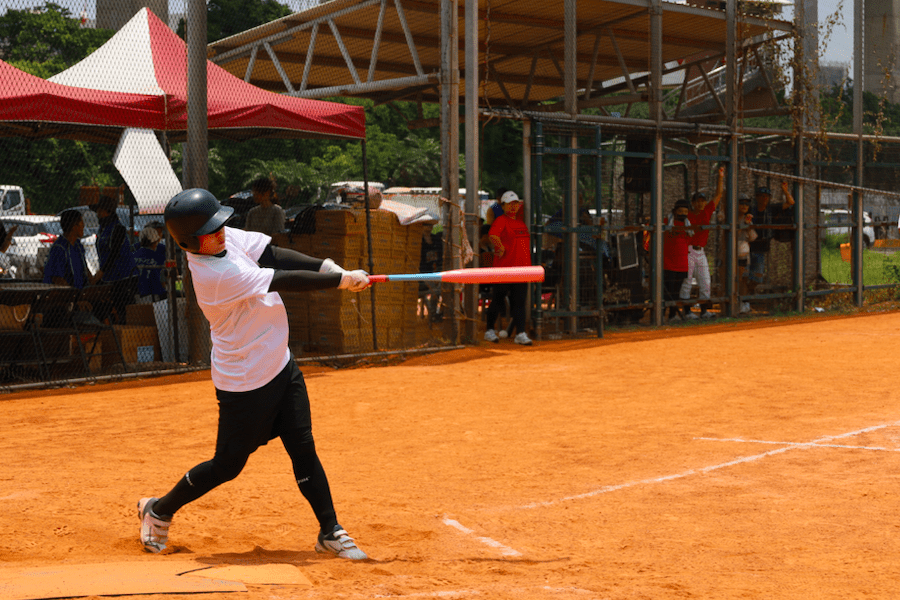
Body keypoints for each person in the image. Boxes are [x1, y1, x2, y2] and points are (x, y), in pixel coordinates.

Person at [138, 188, 371, 560]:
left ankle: (330, 530)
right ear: (189, 243)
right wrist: (338, 281)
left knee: (303, 447)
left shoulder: (222, 240)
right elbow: (282, 278)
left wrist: (327, 265)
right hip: (245, 384)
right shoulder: (214, 275)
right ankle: (159, 510)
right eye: (210, 231)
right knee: (226, 466)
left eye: (220, 225)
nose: (220, 232)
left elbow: (273, 254)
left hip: (280, 364)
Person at [484, 190, 533, 346]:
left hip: (521, 270)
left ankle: (520, 333)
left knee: (519, 302)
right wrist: (500, 247)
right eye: (509, 204)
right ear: (503, 206)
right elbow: (493, 235)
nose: (513, 207)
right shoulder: (501, 220)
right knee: (498, 299)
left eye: (515, 204)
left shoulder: (521, 224)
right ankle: (489, 330)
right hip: (504, 269)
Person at [680, 166, 725, 319]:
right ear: (692, 203)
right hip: (689, 250)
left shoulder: (707, 210)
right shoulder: (688, 214)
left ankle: (704, 311)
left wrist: (720, 177)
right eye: (697, 201)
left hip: (701, 251)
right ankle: (686, 312)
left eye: (702, 201)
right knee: (687, 281)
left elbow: (719, 194)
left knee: (705, 280)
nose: (700, 203)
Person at [92, 195, 138, 323]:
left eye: (100, 211)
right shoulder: (103, 229)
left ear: (107, 211)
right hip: (110, 276)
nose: (97, 214)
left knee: (123, 309)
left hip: (124, 277)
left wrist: (101, 271)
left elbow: (114, 253)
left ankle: (125, 333)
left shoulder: (117, 229)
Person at [747, 184, 795, 293]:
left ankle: (747, 295)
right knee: (744, 275)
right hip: (747, 247)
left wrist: (785, 191)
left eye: (766, 196)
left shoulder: (772, 209)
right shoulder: (751, 209)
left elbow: (791, 202)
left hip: (761, 248)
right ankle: (744, 299)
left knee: (757, 277)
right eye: (761, 196)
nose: (764, 199)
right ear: (757, 197)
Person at [43, 209, 99, 288]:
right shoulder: (59, 248)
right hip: (65, 295)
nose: (83, 226)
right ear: (74, 226)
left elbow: (85, 269)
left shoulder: (78, 245)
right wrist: (73, 295)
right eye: (81, 224)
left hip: (79, 293)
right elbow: (57, 279)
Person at [663, 199, 693, 322]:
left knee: (675, 292)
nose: (682, 214)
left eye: (685, 211)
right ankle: (661, 315)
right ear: (675, 211)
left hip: (682, 263)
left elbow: (689, 241)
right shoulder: (667, 222)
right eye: (680, 211)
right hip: (668, 262)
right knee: (666, 291)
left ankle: (672, 315)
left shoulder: (688, 225)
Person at [133, 225, 167, 303]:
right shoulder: (158, 257)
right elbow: (162, 280)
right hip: (155, 293)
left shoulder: (133, 255)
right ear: (154, 242)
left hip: (137, 292)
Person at [736, 195, 757, 314]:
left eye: (746, 204)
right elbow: (732, 235)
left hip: (744, 252)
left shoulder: (747, 218)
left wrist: (748, 226)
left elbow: (753, 237)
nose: (744, 206)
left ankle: (743, 303)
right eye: (742, 203)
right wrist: (743, 224)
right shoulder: (732, 217)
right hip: (732, 252)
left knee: (743, 279)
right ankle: (735, 302)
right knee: (735, 279)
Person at [419, 224, 443, 322]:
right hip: (423, 274)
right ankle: (433, 313)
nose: (429, 226)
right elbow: (420, 264)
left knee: (443, 285)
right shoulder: (419, 241)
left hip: (436, 272)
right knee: (435, 288)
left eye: (430, 224)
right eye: (426, 224)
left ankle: (439, 311)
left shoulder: (436, 239)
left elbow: (440, 259)